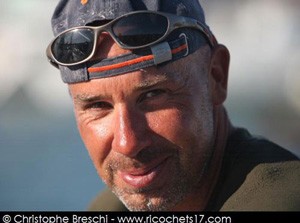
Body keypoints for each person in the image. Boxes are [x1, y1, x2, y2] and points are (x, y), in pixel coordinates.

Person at [46, 0, 300, 211]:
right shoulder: (110, 208)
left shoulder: (280, 197)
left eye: (153, 95)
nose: (128, 143)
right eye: (98, 106)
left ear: (216, 77)